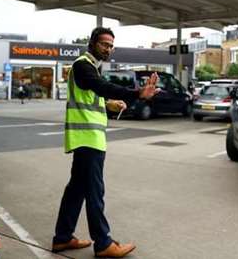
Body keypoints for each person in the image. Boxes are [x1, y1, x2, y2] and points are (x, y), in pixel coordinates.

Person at [52, 27, 159, 258]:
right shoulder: (83, 65)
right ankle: (103, 243)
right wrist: (137, 93)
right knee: (94, 191)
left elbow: (92, 94)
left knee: (76, 190)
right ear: (92, 43)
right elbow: (100, 87)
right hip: (89, 139)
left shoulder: (90, 68)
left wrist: (109, 105)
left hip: (87, 138)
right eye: (104, 44)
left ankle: (62, 238)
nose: (108, 49)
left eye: (111, 45)